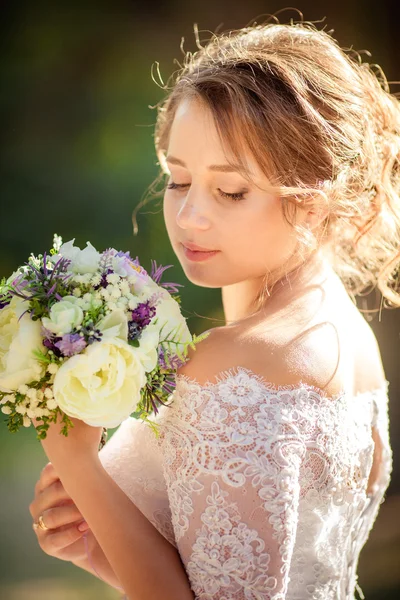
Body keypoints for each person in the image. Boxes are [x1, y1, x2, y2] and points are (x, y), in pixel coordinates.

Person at [29, 16, 398, 599]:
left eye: (230, 191)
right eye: (178, 180)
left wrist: (76, 461)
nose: (188, 216)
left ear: (312, 200)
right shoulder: (348, 333)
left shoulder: (239, 361)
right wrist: (101, 546)